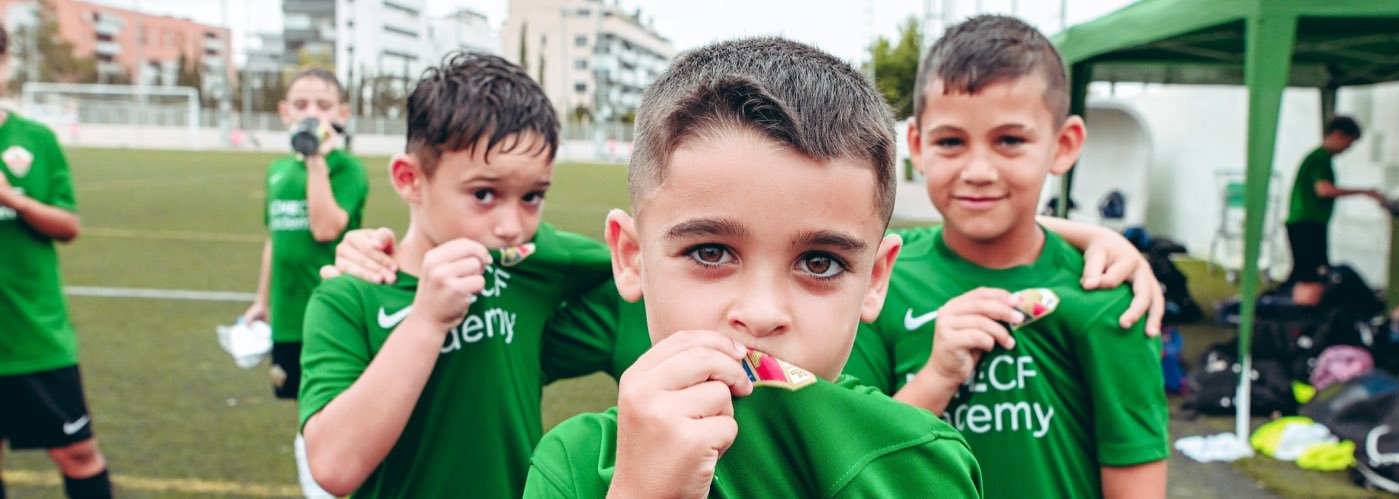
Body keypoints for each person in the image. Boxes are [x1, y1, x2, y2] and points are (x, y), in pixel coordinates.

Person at [523, 37, 984, 498]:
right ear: (630, 257)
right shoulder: (577, 466)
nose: (762, 313)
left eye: (819, 262)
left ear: (875, 280)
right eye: (710, 253)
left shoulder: (922, 466)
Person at [841, 15, 1169, 498]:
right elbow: (849, 463)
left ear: (1063, 146)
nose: (978, 170)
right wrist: (937, 377)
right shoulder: (878, 279)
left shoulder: (1107, 296)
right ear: (917, 146)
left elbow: (1136, 482)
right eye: (951, 142)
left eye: (1010, 141)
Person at [297, 52, 612, 497]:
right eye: (484, 193)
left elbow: (627, 265)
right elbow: (333, 466)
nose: (512, 225)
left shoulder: (527, 259)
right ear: (409, 179)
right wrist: (426, 319)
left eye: (532, 196)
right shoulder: (349, 298)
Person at [238, 66, 367, 497]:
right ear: (284, 113)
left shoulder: (346, 170)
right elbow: (274, 242)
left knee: (337, 413)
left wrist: (317, 162)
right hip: (290, 319)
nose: (312, 114)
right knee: (305, 413)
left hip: (333, 316)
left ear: (342, 113)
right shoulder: (277, 171)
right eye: (302, 105)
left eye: (324, 106)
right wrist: (263, 302)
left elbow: (326, 228)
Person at [0, 26, 114, 499]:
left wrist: (15, 200)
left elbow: (68, 224)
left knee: (77, 453)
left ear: (4, 65)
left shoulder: (34, 139)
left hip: (34, 333)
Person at [1284, 115, 1383, 285]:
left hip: (1307, 221)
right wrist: (1363, 192)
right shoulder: (1320, 159)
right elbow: (1324, 190)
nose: (1347, 149)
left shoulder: (1319, 158)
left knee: (1303, 272)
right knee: (1310, 275)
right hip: (1308, 222)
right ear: (1338, 135)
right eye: (1349, 143)